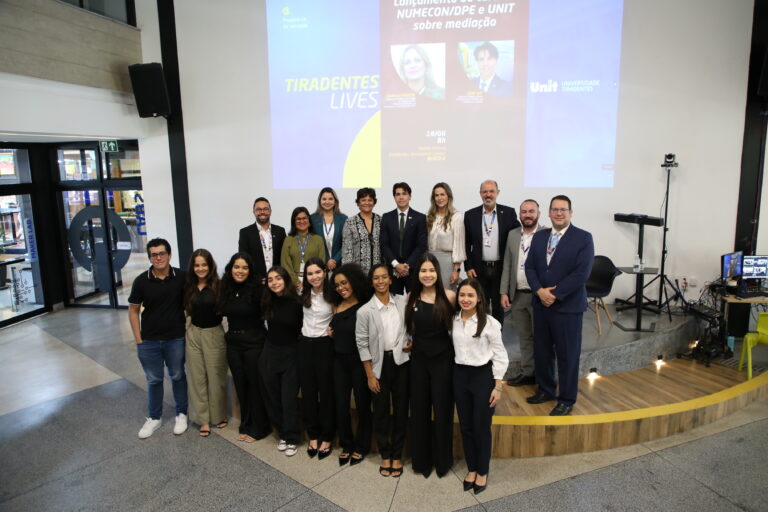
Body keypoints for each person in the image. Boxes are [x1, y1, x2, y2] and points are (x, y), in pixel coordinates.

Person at [525, 195, 594, 416]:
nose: (559, 213)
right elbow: (530, 267)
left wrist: (554, 294)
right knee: (542, 352)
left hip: (567, 307)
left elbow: (581, 274)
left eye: (563, 209)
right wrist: (539, 291)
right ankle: (546, 390)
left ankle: (566, 399)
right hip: (541, 305)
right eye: (555, 209)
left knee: (567, 356)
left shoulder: (583, 238)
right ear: (549, 212)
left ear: (570, 213)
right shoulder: (539, 236)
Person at [452, 278, 508, 495]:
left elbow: (500, 355)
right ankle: (472, 468)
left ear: (478, 298)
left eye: (470, 295)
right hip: (459, 376)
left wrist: (498, 386)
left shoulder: (490, 323)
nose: (465, 299)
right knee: (466, 426)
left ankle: (482, 471)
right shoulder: (454, 320)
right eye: (462, 295)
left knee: (481, 427)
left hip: (482, 377)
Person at [128, 238, 188, 439]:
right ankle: (154, 417)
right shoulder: (141, 281)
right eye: (154, 254)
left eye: (162, 253)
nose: (158, 257)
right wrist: (138, 339)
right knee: (154, 380)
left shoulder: (181, 277)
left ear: (169, 255)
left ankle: (182, 413)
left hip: (175, 338)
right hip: (149, 341)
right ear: (149, 257)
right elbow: (133, 310)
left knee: (178, 376)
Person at [356, 264, 411, 478]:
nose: (380, 281)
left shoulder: (402, 302)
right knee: (380, 412)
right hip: (378, 366)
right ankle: (385, 454)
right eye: (376, 278)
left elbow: (411, 327)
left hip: (401, 363)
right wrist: (370, 375)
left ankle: (397, 455)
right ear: (371, 282)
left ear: (390, 279)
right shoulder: (364, 311)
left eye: (384, 277)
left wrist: (411, 341)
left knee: (400, 410)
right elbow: (362, 345)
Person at [406, 253, 456, 478]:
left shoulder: (450, 296)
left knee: (443, 410)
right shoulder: (411, 297)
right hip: (418, 361)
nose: (427, 275)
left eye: (431, 270)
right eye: (423, 270)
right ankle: (421, 462)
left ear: (438, 272)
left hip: (443, 360)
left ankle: (443, 462)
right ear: (418, 274)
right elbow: (409, 329)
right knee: (419, 410)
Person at [220, 252, 271, 442]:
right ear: (231, 268)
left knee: (255, 385)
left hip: (254, 342)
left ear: (250, 270)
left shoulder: (258, 288)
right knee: (240, 385)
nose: (240, 271)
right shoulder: (226, 287)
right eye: (236, 267)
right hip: (233, 343)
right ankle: (246, 423)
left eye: (244, 267)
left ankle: (260, 427)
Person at [329, 263, 372, 467]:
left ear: (354, 281)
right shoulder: (336, 305)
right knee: (340, 405)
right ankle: (346, 444)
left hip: (359, 363)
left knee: (363, 405)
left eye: (344, 283)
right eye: (337, 285)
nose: (341, 288)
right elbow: (336, 330)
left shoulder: (366, 305)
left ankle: (362, 446)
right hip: (339, 362)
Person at [500, 199, 546, 386]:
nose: (528, 215)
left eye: (531, 211)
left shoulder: (546, 234)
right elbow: (507, 264)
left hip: (538, 296)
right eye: (524, 212)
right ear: (519, 215)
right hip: (518, 295)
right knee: (524, 337)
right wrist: (504, 292)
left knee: (541, 338)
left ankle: (543, 377)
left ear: (538, 214)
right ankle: (528, 373)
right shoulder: (512, 235)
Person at [183, 248, 228, 437]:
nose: (200, 268)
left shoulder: (219, 285)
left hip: (214, 334)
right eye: (197, 265)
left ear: (210, 266)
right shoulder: (189, 286)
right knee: (197, 378)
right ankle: (202, 420)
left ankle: (218, 416)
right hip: (193, 333)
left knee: (216, 378)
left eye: (204, 265)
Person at [464, 180, 520, 326]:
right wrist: (468, 266)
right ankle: (479, 332)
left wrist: (539, 231)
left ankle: (497, 334)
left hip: (500, 268)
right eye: (485, 191)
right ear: (480, 194)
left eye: (491, 191)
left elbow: (520, 234)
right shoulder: (470, 215)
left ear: (497, 193)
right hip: (478, 269)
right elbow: (466, 243)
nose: (488, 194)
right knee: (479, 303)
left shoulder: (508, 213)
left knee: (498, 305)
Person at [261, 265, 303, 456]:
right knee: (273, 396)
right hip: (270, 352)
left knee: (288, 399)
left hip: (291, 353)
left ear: (286, 280)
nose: (274, 282)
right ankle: (283, 435)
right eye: (270, 280)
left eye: (278, 278)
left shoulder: (297, 302)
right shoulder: (267, 301)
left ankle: (293, 437)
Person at [298, 257, 335, 459]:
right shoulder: (302, 294)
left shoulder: (333, 295)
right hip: (304, 345)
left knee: (326, 392)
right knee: (309, 392)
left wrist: (334, 330)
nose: (314, 277)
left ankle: (327, 437)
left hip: (324, 346)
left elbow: (338, 318)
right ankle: (313, 435)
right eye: (310, 273)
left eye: (318, 272)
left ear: (325, 272)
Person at [380, 182, 427, 294]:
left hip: (412, 268)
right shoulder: (386, 217)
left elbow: (421, 245)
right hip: (393, 268)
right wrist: (396, 265)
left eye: (404, 194)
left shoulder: (420, 218)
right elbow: (384, 244)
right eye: (398, 194)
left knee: (414, 299)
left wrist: (406, 265)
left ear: (410, 196)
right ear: (394, 197)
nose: (401, 197)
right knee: (394, 300)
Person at [427, 182, 466, 290]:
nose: (439, 198)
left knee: (446, 294)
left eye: (442, 194)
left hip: (448, 263)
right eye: (436, 195)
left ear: (448, 196)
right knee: (430, 293)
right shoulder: (429, 216)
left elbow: (459, 247)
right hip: (429, 261)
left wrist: (456, 270)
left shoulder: (456, 217)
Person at [238, 197, 287, 282]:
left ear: (270, 211)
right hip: (255, 282)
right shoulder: (245, 233)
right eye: (258, 209)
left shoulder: (280, 231)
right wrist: (256, 279)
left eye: (265, 209)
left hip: (277, 281)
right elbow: (244, 259)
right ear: (254, 212)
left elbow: (284, 257)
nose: (262, 212)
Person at [281, 206, 325, 288]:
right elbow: (285, 264)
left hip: (314, 281)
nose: (301, 221)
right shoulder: (288, 239)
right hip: (293, 284)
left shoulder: (318, 239)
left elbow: (321, 262)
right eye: (298, 219)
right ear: (294, 221)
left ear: (309, 220)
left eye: (304, 218)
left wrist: (310, 281)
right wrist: (296, 282)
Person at [341, 187, 383, 274]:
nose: (367, 203)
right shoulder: (350, 222)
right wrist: (348, 273)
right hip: (358, 273)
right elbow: (347, 251)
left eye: (370, 200)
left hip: (379, 273)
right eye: (363, 200)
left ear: (374, 202)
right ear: (358, 202)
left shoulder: (381, 220)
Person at [310, 187, 348, 271]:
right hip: (319, 264)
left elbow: (346, 243)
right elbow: (312, 243)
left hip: (339, 264)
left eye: (330, 199)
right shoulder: (312, 219)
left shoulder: (343, 218)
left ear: (335, 201)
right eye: (324, 199)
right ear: (320, 201)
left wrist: (335, 260)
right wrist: (327, 260)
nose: (327, 202)